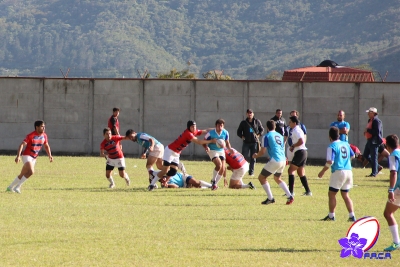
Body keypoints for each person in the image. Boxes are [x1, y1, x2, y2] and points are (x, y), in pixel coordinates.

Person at [148, 120, 215, 191]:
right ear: (189, 127)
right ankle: (152, 184)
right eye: (192, 127)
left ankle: (153, 173)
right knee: (165, 170)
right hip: (170, 151)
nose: (194, 128)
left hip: (176, 153)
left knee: (173, 171)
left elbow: (206, 130)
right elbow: (198, 142)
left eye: (195, 126)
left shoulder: (194, 131)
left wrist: (216, 129)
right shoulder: (188, 133)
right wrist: (211, 141)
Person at [318, 126, 356, 222]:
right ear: (339, 135)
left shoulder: (332, 146)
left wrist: (322, 171)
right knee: (345, 195)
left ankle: (331, 216)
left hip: (339, 171)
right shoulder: (345, 144)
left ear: (329, 137)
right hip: (348, 171)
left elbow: (330, 161)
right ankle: (352, 216)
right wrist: (345, 162)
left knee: (332, 194)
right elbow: (353, 155)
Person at [6, 120, 53, 194]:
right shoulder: (31, 135)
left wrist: (50, 155)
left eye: (44, 126)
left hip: (34, 158)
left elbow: (46, 145)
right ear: (37, 127)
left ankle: (10, 187)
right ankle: (18, 187)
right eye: (42, 126)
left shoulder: (44, 135)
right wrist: (18, 156)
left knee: (23, 174)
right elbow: (21, 145)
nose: (44, 128)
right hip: (27, 156)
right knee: (31, 171)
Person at [253, 120, 294, 205]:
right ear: (275, 127)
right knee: (277, 178)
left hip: (276, 160)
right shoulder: (280, 135)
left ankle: (270, 198)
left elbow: (263, 151)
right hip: (283, 159)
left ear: (267, 127)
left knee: (262, 178)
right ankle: (290, 196)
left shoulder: (266, 136)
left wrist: (256, 155)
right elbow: (281, 148)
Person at [203, 118, 232, 190]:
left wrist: (230, 148)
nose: (220, 127)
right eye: (219, 126)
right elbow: (203, 141)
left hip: (221, 151)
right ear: (216, 126)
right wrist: (206, 147)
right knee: (219, 165)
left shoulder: (225, 132)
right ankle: (213, 181)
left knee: (223, 168)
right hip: (212, 150)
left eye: (221, 126)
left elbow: (227, 142)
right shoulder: (210, 133)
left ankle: (214, 184)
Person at [383, 134, 400, 251]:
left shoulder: (393, 155)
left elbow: (393, 172)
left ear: (387, 145)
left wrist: (391, 190)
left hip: (399, 188)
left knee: (388, 213)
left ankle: (396, 242)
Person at [287, 116, 312, 196]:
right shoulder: (296, 130)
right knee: (300, 172)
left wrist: (293, 146)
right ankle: (308, 191)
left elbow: (301, 141)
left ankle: (290, 192)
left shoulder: (296, 130)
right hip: (302, 152)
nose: (289, 123)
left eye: (290, 122)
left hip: (300, 152)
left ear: (294, 123)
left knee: (290, 170)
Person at [237, 109, 264, 176]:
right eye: (248, 113)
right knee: (244, 157)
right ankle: (242, 171)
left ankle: (251, 172)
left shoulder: (257, 121)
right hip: (246, 142)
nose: (250, 114)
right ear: (246, 114)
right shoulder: (243, 122)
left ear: (253, 114)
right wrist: (242, 136)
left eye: (251, 113)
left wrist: (258, 135)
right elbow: (238, 132)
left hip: (254, 142)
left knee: (253, 157)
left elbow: (262, 130)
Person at [363, 107, 383, 177]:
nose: (368, 114)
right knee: (365, 155)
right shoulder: (370, 120)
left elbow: (376, 132)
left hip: (374, 141)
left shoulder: (376, 121)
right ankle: (377, 166)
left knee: (374, 157)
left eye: (369, 112)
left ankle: (374, 173)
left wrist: (368, 130)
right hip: (369, 141)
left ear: (373, 113)